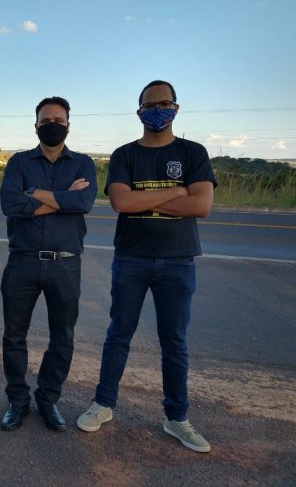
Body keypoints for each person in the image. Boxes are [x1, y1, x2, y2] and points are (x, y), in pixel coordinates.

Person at [77, 80, 216, 453]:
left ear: (176, 107)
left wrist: (146, 198)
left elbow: (201, 205)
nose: (158, 110)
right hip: (132, 258)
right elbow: (122, 202)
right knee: (119, 334)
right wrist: (178, 190)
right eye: (150, 105)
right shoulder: (125, 155)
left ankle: (177, 417)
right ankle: (103, 404)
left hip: (178, 260)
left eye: (164, 103)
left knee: (175, 342)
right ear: (139, 111)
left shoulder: (192, 152)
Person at [0, 96, 97, 431]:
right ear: (36, 125)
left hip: (65, 264)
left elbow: (83, 202)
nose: (52, 125)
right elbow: (10, 204)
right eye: (45, 120)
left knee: (63, 337)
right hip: (22, 261)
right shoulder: (19, 162)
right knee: (14, 336)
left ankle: (48, 399)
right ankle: (17, 401)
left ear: (68, 125)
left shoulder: (83, 163)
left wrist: (34, 192)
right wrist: (63, 198)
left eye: (58, 120)